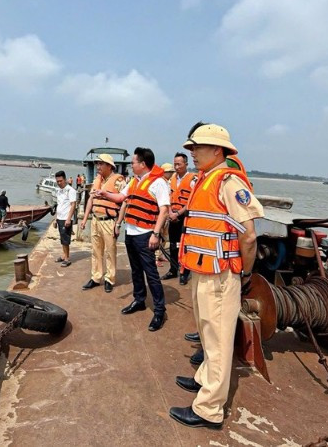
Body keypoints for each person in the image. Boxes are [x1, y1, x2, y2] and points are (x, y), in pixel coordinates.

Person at [169, 122, 263, 430]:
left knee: (219, 340)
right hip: (203, 271)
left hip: (221, 275)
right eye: (192, 148)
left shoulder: (229, 183)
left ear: (217, 150)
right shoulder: (205, 180)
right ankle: (204, 380)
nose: (192, 153)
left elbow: (249, 236)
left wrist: (246, 273)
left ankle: (209, 409)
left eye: (197, 148)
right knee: (208, 333)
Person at [95, 147, 170, 331]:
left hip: (146, 234)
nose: (131, 165)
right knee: (136, 270)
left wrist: (155, 233)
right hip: (131, 233)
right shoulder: (134, 181)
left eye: (133, 162)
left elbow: (164, 210)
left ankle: (160, 310)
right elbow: (121, 197)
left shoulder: (158, 183)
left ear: (142, 164)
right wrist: (105, 194)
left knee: (151, 273)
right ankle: (139, 300)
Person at [80, 154, 126, 292]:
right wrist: (84, 219)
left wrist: (118, 224)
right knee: (96, 250)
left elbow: (124, 202)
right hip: (95, 219)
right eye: (97, 164)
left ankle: (109, 278)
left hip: (109, 220)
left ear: (109, 166)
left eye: (101, 164)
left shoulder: (118, 181)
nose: (98, 167)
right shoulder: (97, 180)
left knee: (110, 251)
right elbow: (90, 200)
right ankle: (96, 277)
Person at [164, 153, 196, 285]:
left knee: (185, 245)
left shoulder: (193, 179)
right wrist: (171, 212)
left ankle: (184, 272)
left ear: (186, 164)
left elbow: (192, 201)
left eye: (179, 164)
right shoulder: (172, 179)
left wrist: (178, 214)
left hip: (185, 216)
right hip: (172, 215)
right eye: (175, 164)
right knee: (173, 244)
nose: (176, 167)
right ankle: (173, 269)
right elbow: (168, 197)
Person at [53, 170, 77, 267]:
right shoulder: (59, 191)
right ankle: (63, 255)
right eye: (57, 181)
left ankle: (67, 258)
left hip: (66, 218)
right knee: (62, 238)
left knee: (66, 238)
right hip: (60, 217)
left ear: (65, 179)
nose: (59, 183)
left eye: (61, 181)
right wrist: (55, 219)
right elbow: (59, 205)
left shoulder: (70, 190)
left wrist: (68, 219)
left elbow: (73, 205)